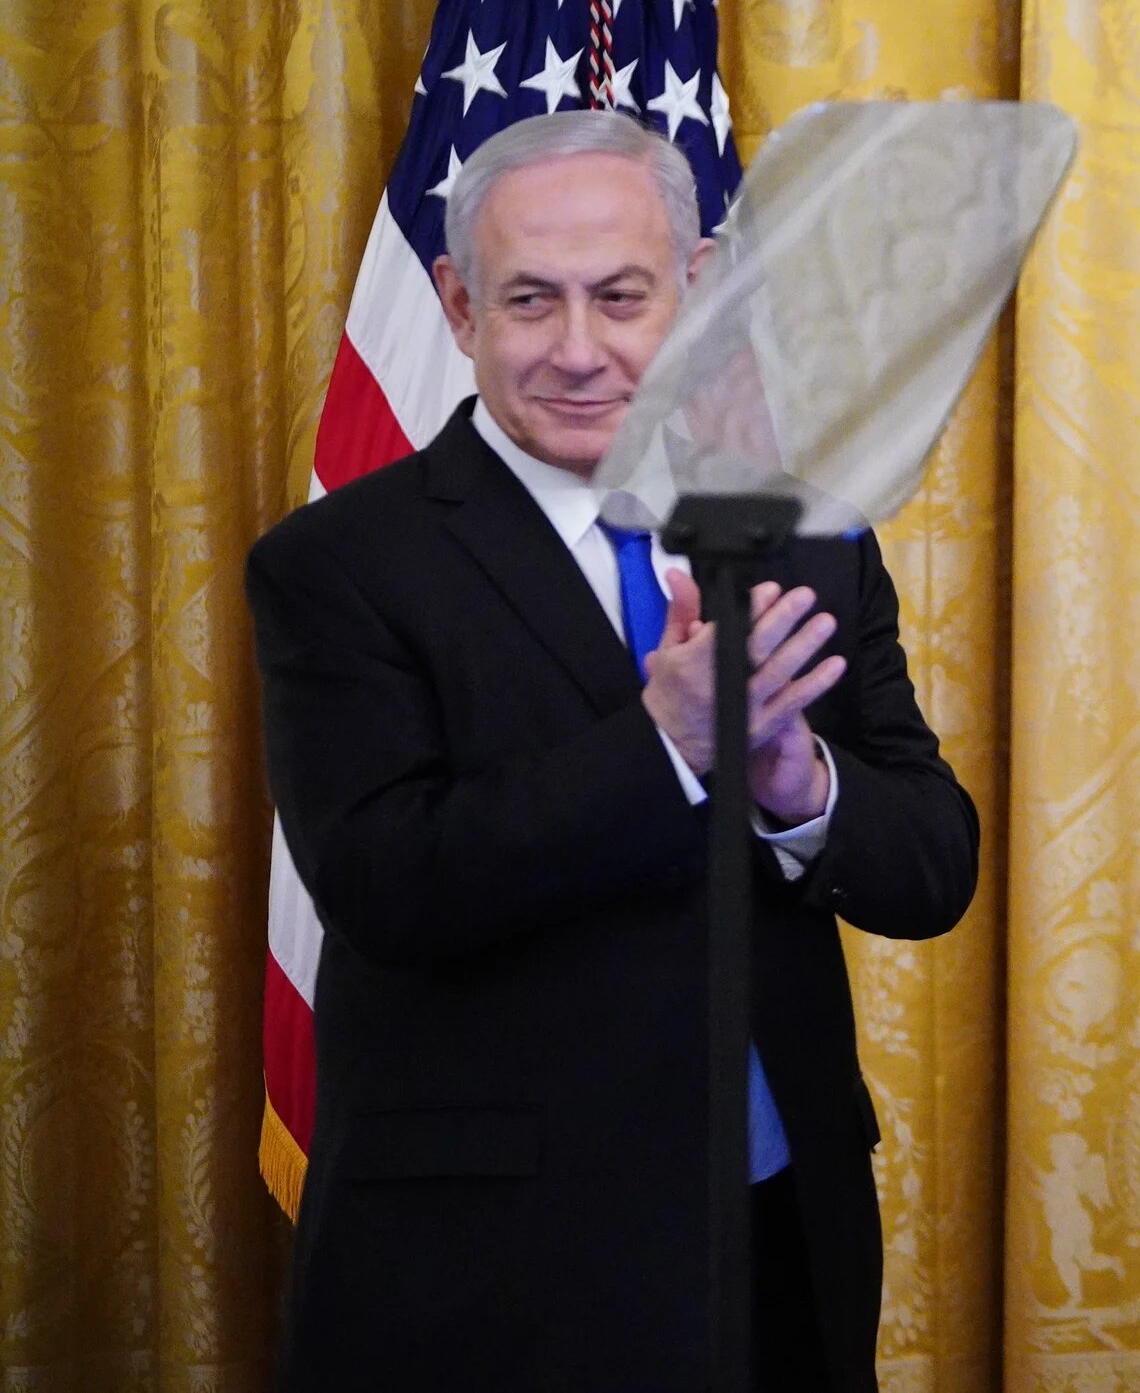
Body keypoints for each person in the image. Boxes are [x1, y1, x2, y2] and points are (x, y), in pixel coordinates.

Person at [247, 110, 978, 1391]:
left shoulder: (804, 535)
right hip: (494, 1267)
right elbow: (387, 884)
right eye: (530, 299)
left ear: (696, 287)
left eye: (622, 296)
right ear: (458, 305)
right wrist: (665, 742)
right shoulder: (339, 565)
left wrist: (795, 784)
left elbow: (931, 867)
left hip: (778, 1235)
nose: (579, 350)